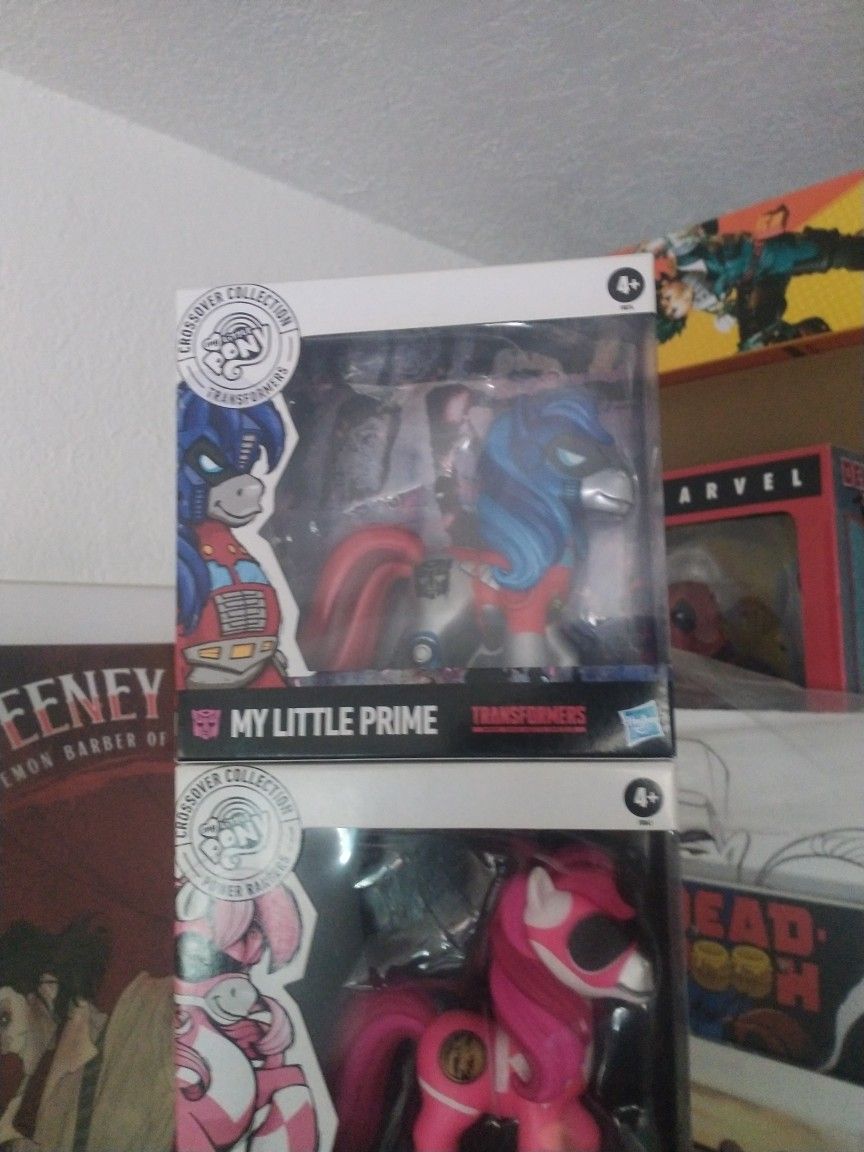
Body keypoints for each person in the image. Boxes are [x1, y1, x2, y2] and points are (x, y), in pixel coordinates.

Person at [0, 919, 173, 1152]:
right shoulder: (42, 1109)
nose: (3, 1045)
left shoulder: (149, 1012)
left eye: (4, 1019)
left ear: (47, 989)